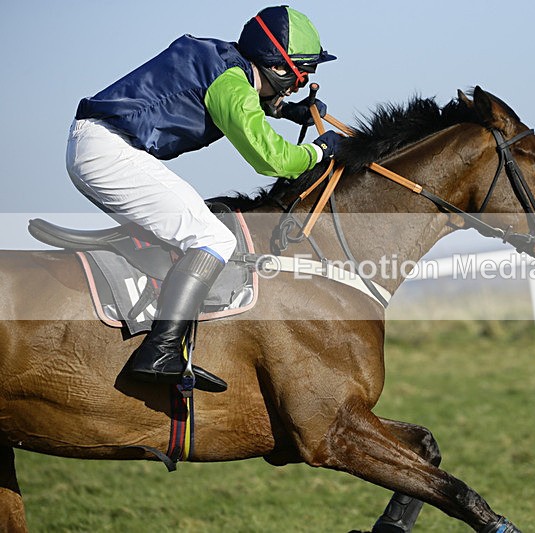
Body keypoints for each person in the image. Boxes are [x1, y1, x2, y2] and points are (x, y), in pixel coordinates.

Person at [66, 6, 341, 393]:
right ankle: (159, 351)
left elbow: (237, 99)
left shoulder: (226, 64)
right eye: (302, 71)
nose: (303, 81)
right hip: (108, 151)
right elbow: (271, 159)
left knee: (191, 231)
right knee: (214, 238)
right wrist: (319, 152)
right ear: (279, 66)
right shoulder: (230, 82)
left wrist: (282, 111)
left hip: (101, 145)